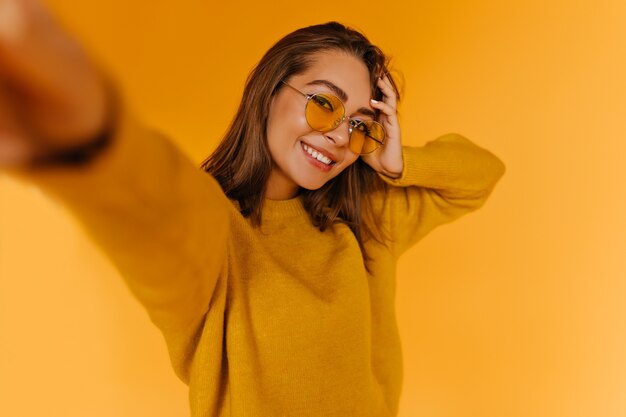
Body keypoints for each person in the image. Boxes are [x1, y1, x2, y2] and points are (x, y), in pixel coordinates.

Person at [0, 1, 506, 416]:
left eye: (359, 125)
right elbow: (156, 208)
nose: (338, 136)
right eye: (324, 103)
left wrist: (393, 161)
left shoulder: (367, 225)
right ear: (269, 92)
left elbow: (481, 175)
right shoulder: (218, 234)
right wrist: (95, 133)